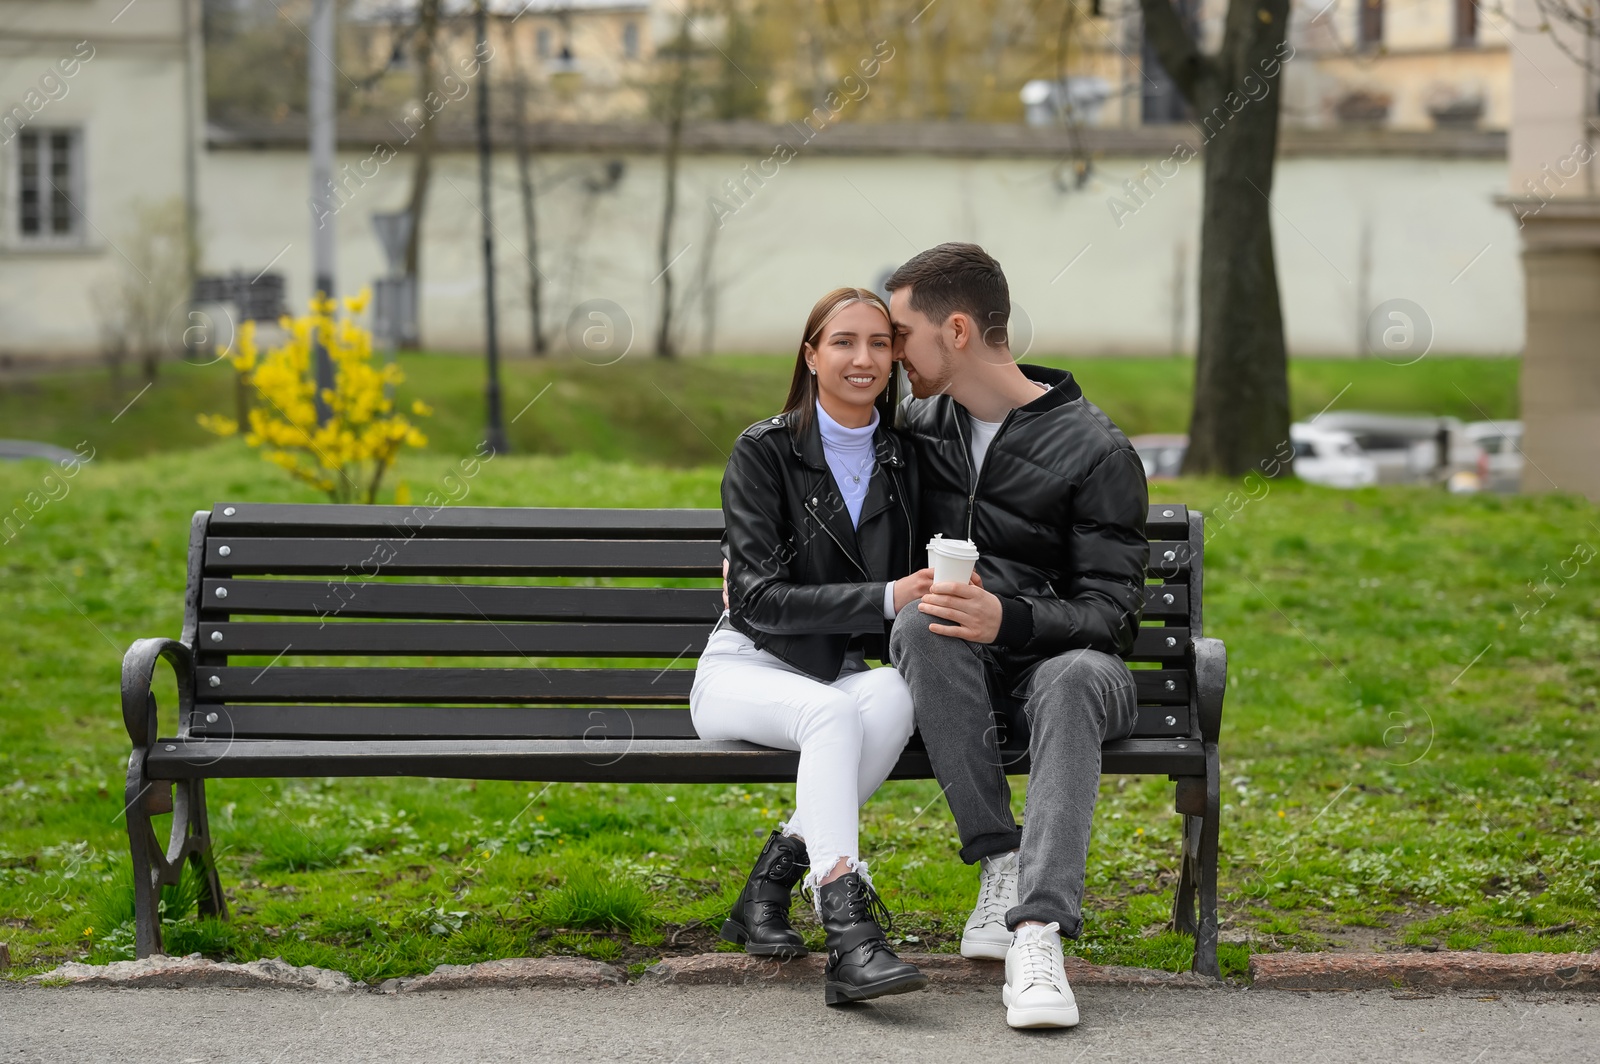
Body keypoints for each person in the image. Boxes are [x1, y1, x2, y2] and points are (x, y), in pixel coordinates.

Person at [883, 243, 1150, 1029]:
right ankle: (999, 861)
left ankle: (1037, 934)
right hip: (962, 673)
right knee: (919, 624)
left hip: (1071, 670)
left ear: (956, 330)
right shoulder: (917, 432)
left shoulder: (1096, 450)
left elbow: (1113, 619)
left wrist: (1015, 618)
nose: (893, 354)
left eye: (901, 334)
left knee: (1070, 679)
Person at [690, 287, 933, 1006]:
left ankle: (765, 891)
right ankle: (850, 935)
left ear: (895, 356)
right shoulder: (765, 451)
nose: (863, 359)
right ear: (811, 354)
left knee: (891, 693)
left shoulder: (905, 458)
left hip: (834, 676)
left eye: (880, 344)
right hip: (743, 669)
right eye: (843, 342)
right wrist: (887, 596)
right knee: (833, 715)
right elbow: (757, 601)